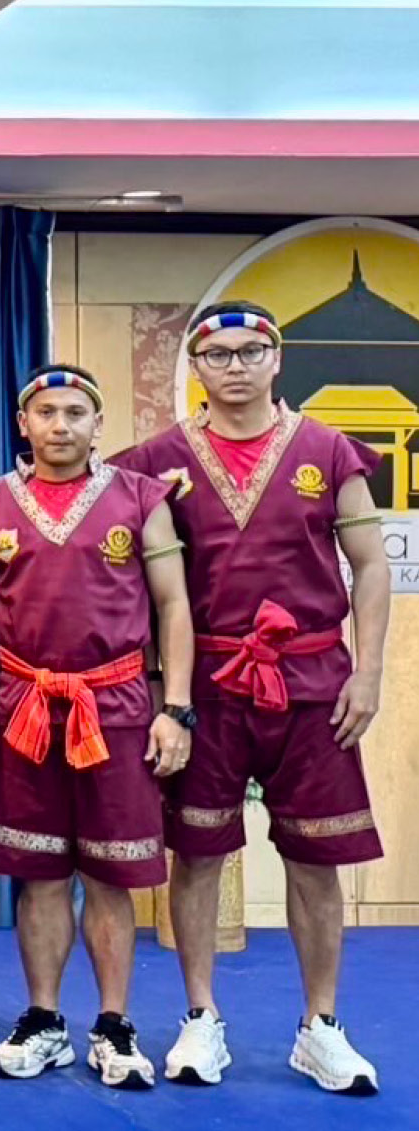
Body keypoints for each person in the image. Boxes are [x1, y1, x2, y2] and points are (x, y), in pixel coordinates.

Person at [114, 302, 388, 1095]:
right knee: (197, 853)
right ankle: (201, 1016)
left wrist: (368, 672)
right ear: (196, 366)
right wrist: (157, 691)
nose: (234, 367)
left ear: (277, 358)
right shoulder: (156, 461)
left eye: (249, 351)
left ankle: (321, 1026)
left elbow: (370, 564)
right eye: (218, 354)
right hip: (203, 686)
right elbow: (135, 581)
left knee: (316, 857)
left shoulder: (329, 451)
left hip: (312, 684)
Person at [0, 364, 194, 1089]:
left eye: (75, 413)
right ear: (23, 424)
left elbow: (173, 606)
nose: (60, 425)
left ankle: (114, 1024)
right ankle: (44, 1019)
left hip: (116, 709)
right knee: (39, 874)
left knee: (111, 873)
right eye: (46, 413)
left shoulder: (141, 498)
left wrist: (175, 709)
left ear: (98, 424)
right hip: (23, 709)